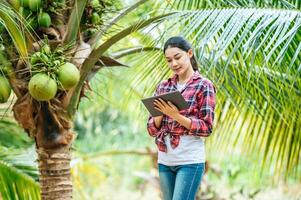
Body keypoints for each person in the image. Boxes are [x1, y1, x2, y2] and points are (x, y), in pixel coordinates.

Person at [146, 36, 216, 200]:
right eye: (169, 60)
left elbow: (206, 127)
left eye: (178, 57)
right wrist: (159, 115)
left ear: (189, 53)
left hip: (190, 160)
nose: (174, 64)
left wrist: (175, 115)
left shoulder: (203, 85)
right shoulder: (163, 86)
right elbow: (151, 128)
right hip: (165, 160)